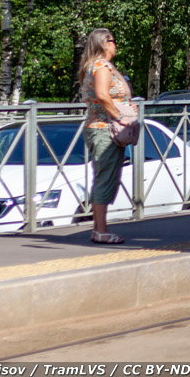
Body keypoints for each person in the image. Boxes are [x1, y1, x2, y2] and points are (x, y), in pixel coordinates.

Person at [79, 28, 132, 244]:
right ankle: (100, 230)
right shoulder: (101, 66)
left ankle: (99, 229)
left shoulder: (98, 66)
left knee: (106, 176)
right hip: (104, 129)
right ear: (104, 43)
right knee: (105, 178)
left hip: (102, 127)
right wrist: (120, 116)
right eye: (113, 40)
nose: (115, 44)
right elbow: (102, 95)